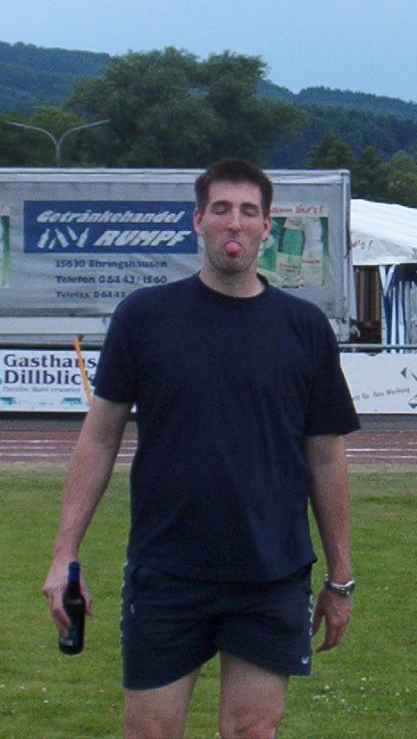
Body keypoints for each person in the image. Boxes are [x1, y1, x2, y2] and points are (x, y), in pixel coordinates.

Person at [43, 158, 360, 739]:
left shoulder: (305, 328)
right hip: (169, 571)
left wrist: (340, 577)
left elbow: (325, 456)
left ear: (267, 227)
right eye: (221, 209)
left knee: (252, 731)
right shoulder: (146, 316)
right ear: (198, 220)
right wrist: (65, 554)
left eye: (248, 211)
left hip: (271, 572)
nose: (234, 223)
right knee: (150, 732)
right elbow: (99, 437)